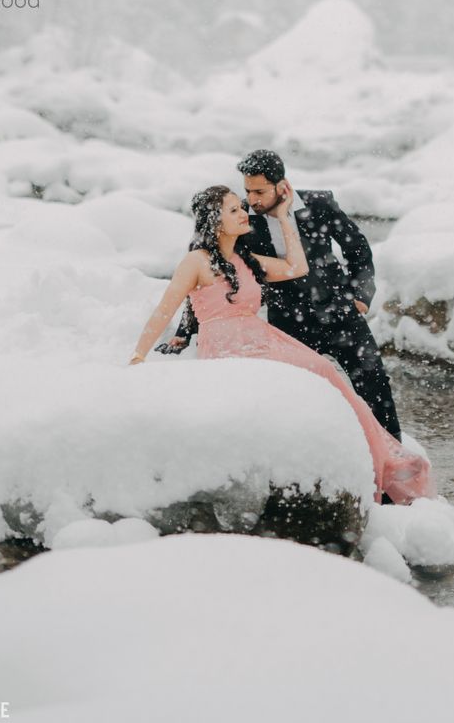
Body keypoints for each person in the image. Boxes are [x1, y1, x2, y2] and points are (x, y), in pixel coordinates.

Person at [128, 183, 434, 506]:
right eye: (234, 210)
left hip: (261, 337)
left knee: (323, 371)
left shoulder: (246, 259)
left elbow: (296, 267)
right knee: (303, 380)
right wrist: (139, 354)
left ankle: (380, 460)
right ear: (215, 220)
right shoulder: (197, 261)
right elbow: (166, 308)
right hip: (226, 347)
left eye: (241, 206)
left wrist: (285, 218)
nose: (244, 212)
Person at [166, 149, 402, 439]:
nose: (252, 199)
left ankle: (395, 469)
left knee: (376, 388)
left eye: (260, 191)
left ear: (282, 184)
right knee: (299, 400)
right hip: (288, 322)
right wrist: (185, 331)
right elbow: (208, 264)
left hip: (341, 314)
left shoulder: (320, 204)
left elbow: (358, 250)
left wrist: (361, 297)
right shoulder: (240, 217)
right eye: (248, 190)